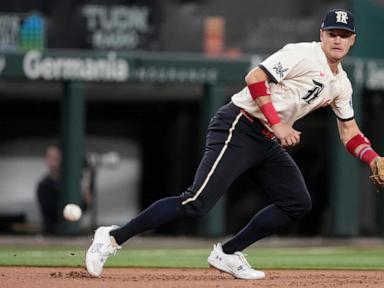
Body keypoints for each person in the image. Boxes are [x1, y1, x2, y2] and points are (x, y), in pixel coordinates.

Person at [85, 9, 384, 279]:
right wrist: (278, 124)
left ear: (353, 40)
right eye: (332, 33)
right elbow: (254, 78)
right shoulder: (304, 54)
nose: (337, 40)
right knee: (195, 203)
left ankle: (227, 254)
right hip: (239, 124)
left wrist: (371, 157)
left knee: (297, 203)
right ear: (321, 34)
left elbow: (349, 132)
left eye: (344, 35)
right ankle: (111, 238)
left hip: (266, 139)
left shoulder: (341, 83)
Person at [36, 145, 93, 234]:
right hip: (51, 232)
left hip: (74, 233)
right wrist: (70, 210)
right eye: (50, 158)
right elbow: (51, 211)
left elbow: (84, 208)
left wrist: (86, 201)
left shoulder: (71, 183)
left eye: (56, 158)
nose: (53, 162)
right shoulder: (44, 185)